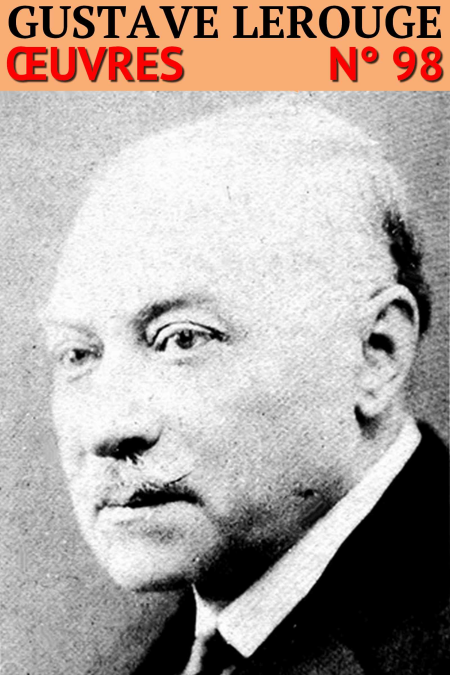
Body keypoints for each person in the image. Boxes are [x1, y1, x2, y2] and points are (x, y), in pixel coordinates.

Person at [42, 98, 449, 674]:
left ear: (375, 353)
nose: (107, 431)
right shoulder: (160, 652)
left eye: (182, 339)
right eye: (78, 354)